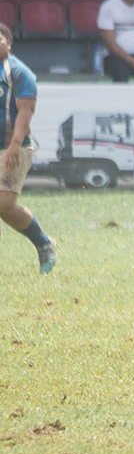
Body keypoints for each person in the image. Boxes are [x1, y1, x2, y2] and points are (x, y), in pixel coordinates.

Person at [0, 23, 56, 275]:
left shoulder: (19, 72)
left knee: (3, 205)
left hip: (13, 148)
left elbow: (25, 111)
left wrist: (14, 145)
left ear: (8, 43)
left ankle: (44, 243)